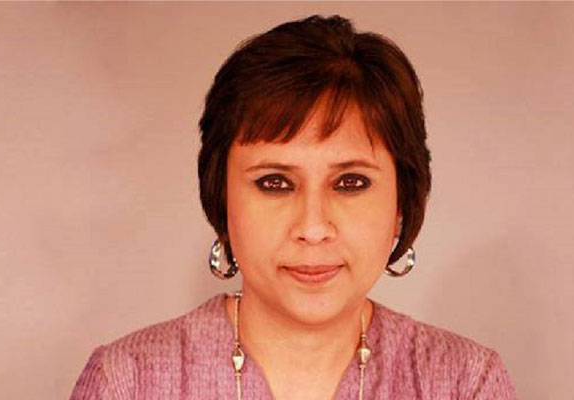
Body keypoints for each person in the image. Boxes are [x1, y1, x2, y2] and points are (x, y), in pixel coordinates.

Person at [69, 14, 517, 400]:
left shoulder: (463, 382)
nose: (313, 227)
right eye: (275, 183)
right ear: (221, 196)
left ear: (402, 201)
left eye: (351, 183)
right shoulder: (128, 381)